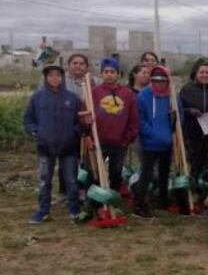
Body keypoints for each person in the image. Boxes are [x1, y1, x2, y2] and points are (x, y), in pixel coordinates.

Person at [23, 64, 84, 223]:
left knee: (71, 180)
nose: (54, 78)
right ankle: (43, 211)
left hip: (68, 147)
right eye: (50, 75)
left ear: (62, 78)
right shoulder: (38, 98)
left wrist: (74, 132)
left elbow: (81, 121)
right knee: (44, 180)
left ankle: (75, 211)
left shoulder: (72, 98)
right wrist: (35, 131)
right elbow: (28, 119)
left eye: (57, 75)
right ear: (46, 78)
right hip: (45, 146)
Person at [134, 66, 186, 217]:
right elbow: (140, 119)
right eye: (155, 81)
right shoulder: (144, 96)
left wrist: (174, 131)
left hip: (167, 142)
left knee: (164, 172)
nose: (159, 84)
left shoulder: (172, 97)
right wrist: (151, 133)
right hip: (150, 142)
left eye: (162, 81)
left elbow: (179, 116)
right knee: (147, 173)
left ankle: (162, 198)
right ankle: (141, 203)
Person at [89, 57, 138, 192]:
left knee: (116, 172)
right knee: (96, 172)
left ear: (118, 74)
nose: (109, 74)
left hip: (120, 142)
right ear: (102, 74)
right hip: (99, 141)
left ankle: (114, 198)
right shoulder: (94, 92)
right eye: (106, 72)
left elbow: (134, 119)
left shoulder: (127, 94)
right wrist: (89, 134)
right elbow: (85, 113)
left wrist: (128, 138)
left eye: (112, 72)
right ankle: (96, 203)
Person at [179, 60, 208, 184]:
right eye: (202, 72)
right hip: (193, 133)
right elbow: (178, 110)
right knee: (195, 162)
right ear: (196, 74)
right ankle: (194, 187)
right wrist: (189, 111)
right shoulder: (187, 90)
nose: (205, 75)